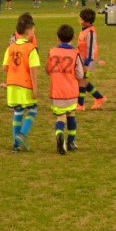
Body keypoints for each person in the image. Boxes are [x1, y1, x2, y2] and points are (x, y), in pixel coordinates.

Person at [47, 24, 86, 154]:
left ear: (58, 38)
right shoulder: (75, 53)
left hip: (56, 91)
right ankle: (70, 142)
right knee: (71, 115)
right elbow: (80, 74)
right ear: (73, 37)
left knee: (60, 117)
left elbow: (48, 69)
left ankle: (59, 134)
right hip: (71, 91)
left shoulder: (52, 51)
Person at [3, 15, 40, 152]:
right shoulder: (30, 49)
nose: (34, 34)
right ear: (28, 32)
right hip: (25, 85)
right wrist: (35, 88)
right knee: (32, 110)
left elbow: (5, 67)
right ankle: (21, 135)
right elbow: (33, 69)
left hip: (12, 85)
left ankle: (15, 146)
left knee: (18, 112)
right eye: (33, 31)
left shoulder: (11, 47)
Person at [76, 8, 108, 110]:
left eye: (81, 19)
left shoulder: (90, 32)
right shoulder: (84, 30)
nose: (79, 20)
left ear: (87, 21)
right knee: (82, 81)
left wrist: (87, 63)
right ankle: (99, 97)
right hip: (82, 60)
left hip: (88, 61)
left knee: (81, 81)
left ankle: (80, 104)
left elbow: (91, 48)